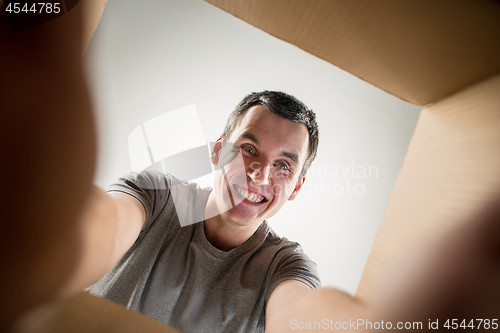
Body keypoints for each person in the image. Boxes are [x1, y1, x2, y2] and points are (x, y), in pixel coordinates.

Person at [86, 90, 322, 333]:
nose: (258, 175)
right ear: (218, 151)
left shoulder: (287, 267)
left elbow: (299, 316)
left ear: (296, 187)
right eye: (249, 149)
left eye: (283, 165)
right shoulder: (153, 195)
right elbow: (102, 227)